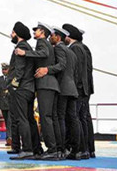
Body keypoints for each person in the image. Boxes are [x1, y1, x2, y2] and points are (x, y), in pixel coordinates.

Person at [14, 22, 60, 160]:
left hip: (45, 84)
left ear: (43, 33)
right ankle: (54, 149)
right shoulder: (46, 43)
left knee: (45, 118)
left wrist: (24, 53)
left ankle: (52, 149)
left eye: (37, 30)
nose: (34, 33)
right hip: (49, 84)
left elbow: (43, 53)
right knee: (48, 118)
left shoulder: (41, 42)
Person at [46, 26, 81, 160]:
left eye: (52, 35)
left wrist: (47, 69)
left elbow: (61, 65)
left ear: (58, 37)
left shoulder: (59, 48)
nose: (50, 37)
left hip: (62, 87)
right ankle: (76, 150)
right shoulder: (71, 51)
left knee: (59, 118)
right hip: (72, 88)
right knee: (73, 119)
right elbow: (75, 72)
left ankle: (60, 149)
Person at [7, 22, 38, 160]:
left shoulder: (20, 47)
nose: (11, 35)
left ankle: (27, 149)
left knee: (22, 119)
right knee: (30, 119)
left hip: (22, 88)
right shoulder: (28, 47)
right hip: (29, 88)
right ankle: (35, 148)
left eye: (13, 32)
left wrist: (14, 85)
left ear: (17, 34)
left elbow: (19, 69)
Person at [62, 24, 91, 160]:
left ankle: (80, 149)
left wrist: (75, 87)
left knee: (76, 119)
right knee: (81, 119)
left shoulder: (76, 48)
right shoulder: (80, 48)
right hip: (82, 88)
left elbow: (78, 71)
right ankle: (85, 150)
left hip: (78, 89)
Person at [81, 30, 96, 158]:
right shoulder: (85, 49)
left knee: (83, 118)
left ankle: (86, 148)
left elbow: (84, 71)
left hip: (83, 89)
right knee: (85, 117)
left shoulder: (81, 49)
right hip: (85, 88)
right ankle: (89, 148)